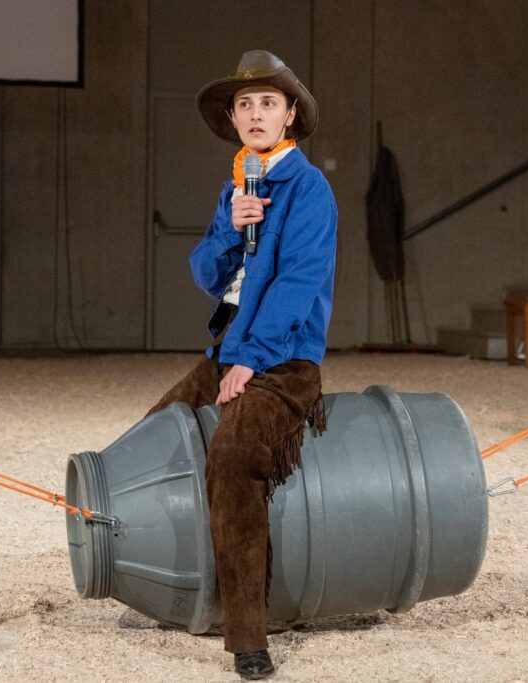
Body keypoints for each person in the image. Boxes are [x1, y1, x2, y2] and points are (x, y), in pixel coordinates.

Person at [146, 50, 337, 679]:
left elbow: (297, 285)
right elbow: (205, 272)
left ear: (290, 117)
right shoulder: (238, 184)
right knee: (154, 432)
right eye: (245, 104)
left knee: (231, 460)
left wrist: (250, 362)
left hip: (283, 361)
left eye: (268, 103)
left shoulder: (308, 189)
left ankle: (248, 637)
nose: (256, 114)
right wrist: (231, 227)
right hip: (229, 348)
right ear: (233, 119)